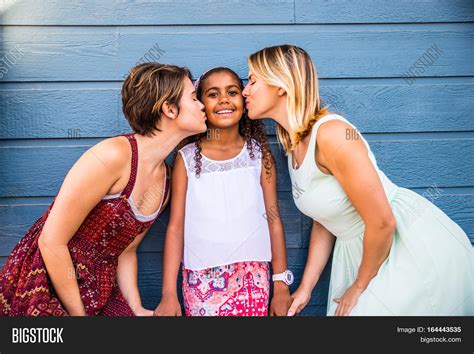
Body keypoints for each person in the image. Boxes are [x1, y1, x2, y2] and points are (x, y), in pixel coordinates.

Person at [242, 45, 473, 316]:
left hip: (400, 245)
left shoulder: (333, 134)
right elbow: (324, 219)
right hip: (358, 251)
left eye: (253, 80)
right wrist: (306, 287)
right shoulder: (294, 143)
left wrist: (360, 286)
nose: (246, 90)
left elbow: (382, 222)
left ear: (280, 84)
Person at [0, 63, 207, 316]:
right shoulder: (113, 156)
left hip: (100, 289)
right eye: (194, 98)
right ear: (170, 108)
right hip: (47, 281)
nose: (202, 106)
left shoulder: (165, 179)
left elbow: (126, 251)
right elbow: (51, 241)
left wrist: (136, 309)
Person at [154, 67, 293, 316]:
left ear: (243, 99)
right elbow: (175, 228)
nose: (224, 100)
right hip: (201, 278)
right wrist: (168, 294)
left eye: (232, 92)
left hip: (253, 275)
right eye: (213, 94)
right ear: (200, 104)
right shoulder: (186, 159)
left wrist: (280, 283)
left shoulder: (259, 154)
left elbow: (274, 221)